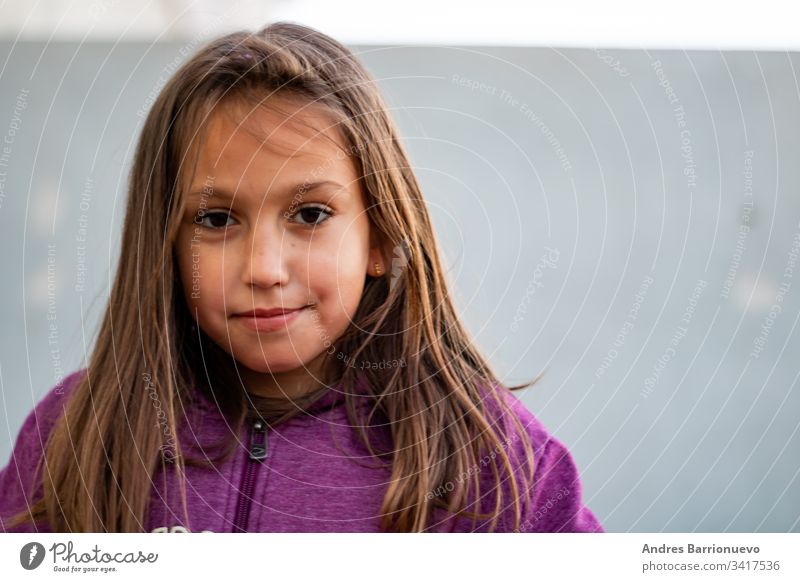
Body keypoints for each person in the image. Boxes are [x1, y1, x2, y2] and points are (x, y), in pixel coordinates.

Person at [0, 22, 603, 533]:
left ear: (381, 237)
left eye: (311, 214)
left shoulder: (488, 455)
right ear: (166, 245)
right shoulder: (73, 436)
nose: (263, 269)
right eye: (215, 219)